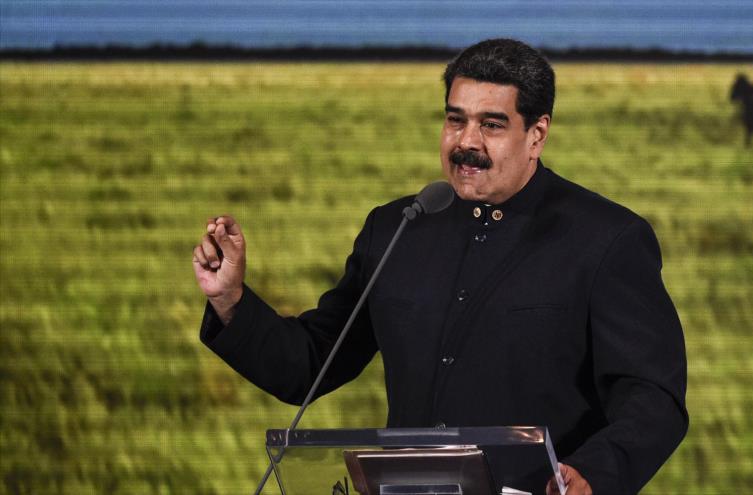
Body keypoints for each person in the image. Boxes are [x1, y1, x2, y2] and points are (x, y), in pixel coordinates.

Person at [193, 39, 687, 495]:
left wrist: (593, 473)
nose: (466, 142)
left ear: (536, 134)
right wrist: (230, 299)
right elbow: (310, 363)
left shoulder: (607, 238)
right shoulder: (397, 229)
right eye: (455, 120)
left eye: (491, 125)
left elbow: (653, 397)